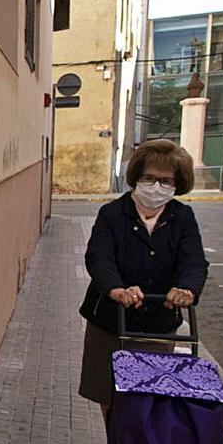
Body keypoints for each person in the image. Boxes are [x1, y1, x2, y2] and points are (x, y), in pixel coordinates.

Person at [78, 139, 209, 414]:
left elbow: (194, 261)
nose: (156, 186)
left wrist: (186, 289)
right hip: (112, 321)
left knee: (150, 396)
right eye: (149, 178)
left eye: (165, 181)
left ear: (177, 184)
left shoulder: (182, 217)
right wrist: (116, 289)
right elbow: (99, 257)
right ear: (137, 177)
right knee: (111, 394)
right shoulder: (113, 213)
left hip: (157, 324)